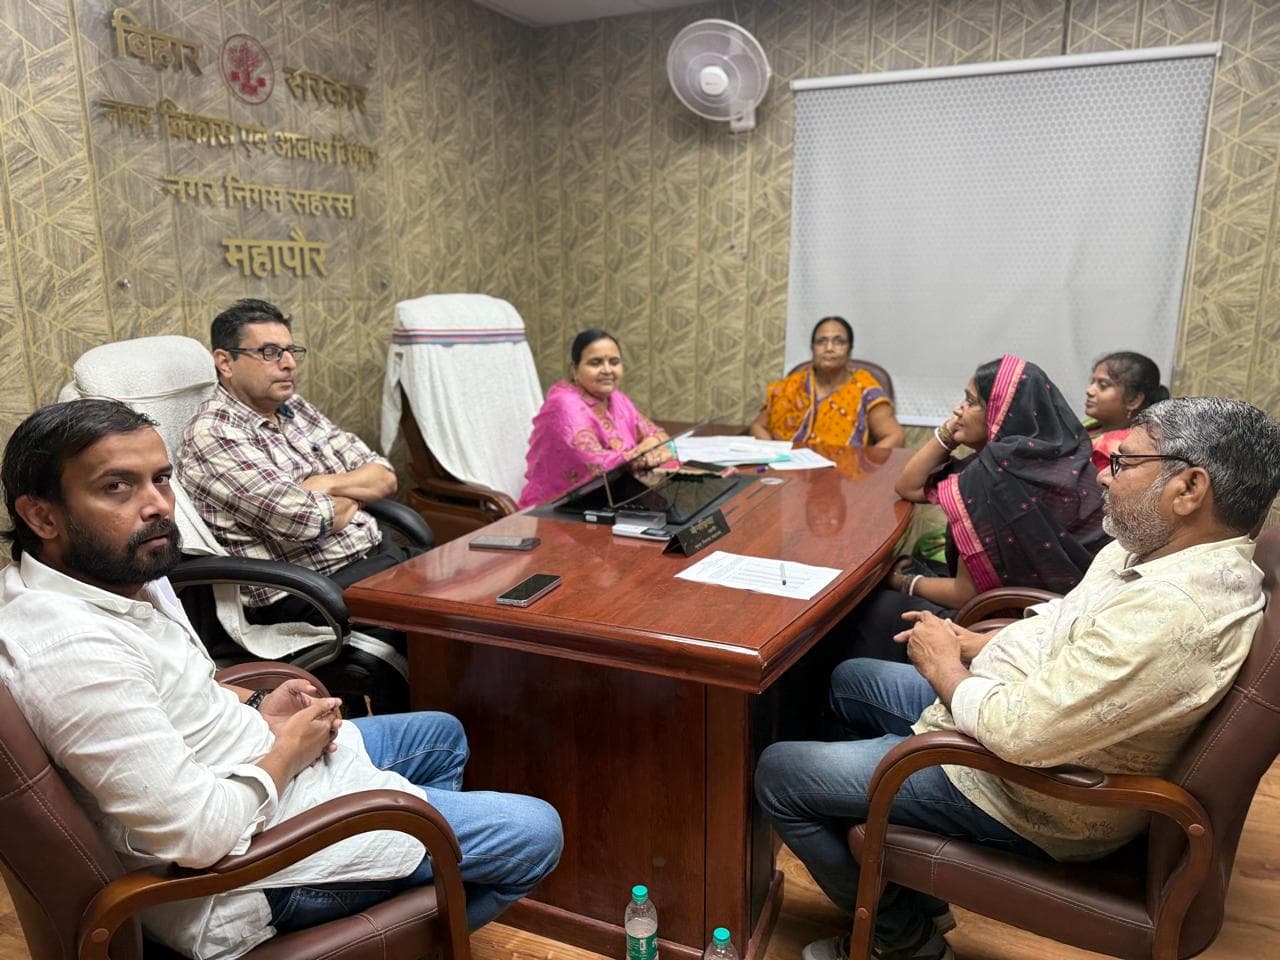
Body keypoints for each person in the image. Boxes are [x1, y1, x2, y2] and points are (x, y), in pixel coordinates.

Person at [0, 399, 563, 960]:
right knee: (535, 832)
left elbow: (174, 692)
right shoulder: (73, 653)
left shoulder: (115, 575)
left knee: (442, 736)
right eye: (116, 487)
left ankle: (406, 889)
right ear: (43, 516)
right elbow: (196, 835)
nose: (158, 506)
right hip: (236, 877)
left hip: (248, 767)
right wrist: (289, 751)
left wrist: (258, 703)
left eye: (161, 479)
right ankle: (397, 897)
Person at [756, 396, 1280, 960]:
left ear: (1189, 488)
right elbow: (1062, 621)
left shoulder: (1175, 612)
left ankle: (902, 939)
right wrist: (975, 642)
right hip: (1012, 709)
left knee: (780, 774)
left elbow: (1021, 734)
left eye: (1123, 463)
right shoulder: (1154, 550)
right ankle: (902, 884)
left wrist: (946, 667)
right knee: (849, 680)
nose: (1103, 476)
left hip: (1029, 792)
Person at [177, 300, 412, 710]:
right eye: (270, 352)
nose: (288, 364)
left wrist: (324, 484)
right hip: (308, 591)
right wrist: (354, 492)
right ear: (225, 362)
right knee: (435, 633)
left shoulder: (294, 409)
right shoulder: (214, 434)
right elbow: (307, 519)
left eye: (290, 350)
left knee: (463, 611)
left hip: (373, 559)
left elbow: (385, 475)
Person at [851, 355, 1108, 661]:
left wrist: (903, 582)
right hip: (1065, 620)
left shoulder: (995, 476)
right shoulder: (1061, 456)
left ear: (1001, 414)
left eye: (971, 402)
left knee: (872, 607)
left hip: (1005, 624)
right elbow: (909, 485)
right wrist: (949, 432)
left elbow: (965, 594)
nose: (958, 409)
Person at [518, 328, 669, 508]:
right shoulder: (564, 404)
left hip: (611, 500)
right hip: (558, 509)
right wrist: (646, 454)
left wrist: (650, 444)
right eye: (595, 363)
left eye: (614, 362)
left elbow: (660, 437)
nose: (607, 370)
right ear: (575, 369)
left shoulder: (618, 399)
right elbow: (597, 465)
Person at [749, 316, 905, 449]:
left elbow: (895, 436)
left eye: (839, 342)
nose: (829, 348)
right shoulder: (790, 386)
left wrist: (866, 466)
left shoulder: (864, 388)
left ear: (849, 350)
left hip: (844, 472)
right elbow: (758, 426)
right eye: (821, 342)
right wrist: (773, 454)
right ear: (812, 348)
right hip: (788, 468)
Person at [1083, 350, 1170, 473]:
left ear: (1133, 400)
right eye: (1092, 382)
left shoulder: (1122, 450)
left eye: (1103, 385)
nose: (1089, 390)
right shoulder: (1088, 427)